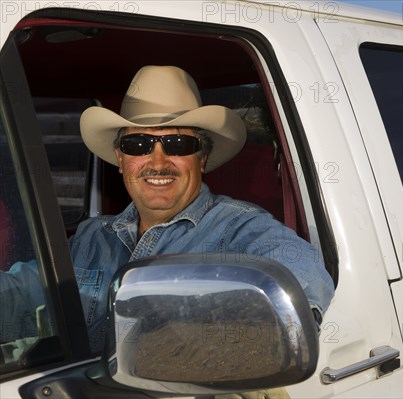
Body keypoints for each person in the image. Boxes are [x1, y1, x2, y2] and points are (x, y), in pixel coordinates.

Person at [1, 66, 334, 356]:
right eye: (138, 145)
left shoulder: (241, 230)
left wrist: (205, 346)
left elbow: (300, 287)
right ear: (121, 159)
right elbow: (21, 292)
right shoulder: (91, 236)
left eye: (177, 145)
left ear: (201, 158)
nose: (157, 163)